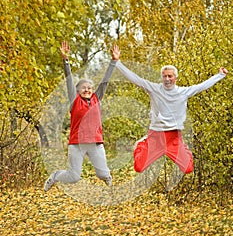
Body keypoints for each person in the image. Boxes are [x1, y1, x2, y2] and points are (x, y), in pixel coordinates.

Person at [111, 44, 228, 174]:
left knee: (188, 168)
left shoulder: (184, 92)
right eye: (164, 76)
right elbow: (136, 79)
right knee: (138, 167)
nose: (167, 79)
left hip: (174, 138)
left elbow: (202, 86)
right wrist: (117, 62)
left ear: (175, 78)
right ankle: (141, 144)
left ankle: (183, 148)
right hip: (156, 136)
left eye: (170, 76)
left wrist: (220, 75)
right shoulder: (154, 89)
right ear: (161, 77)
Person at [44, 41, 115, 191]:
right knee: (74, 177)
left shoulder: (96, 98)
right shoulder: (74, 101)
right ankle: (55, 176)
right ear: (78, 90)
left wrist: (113, 61)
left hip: (95, 143)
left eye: (89, 88)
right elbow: (69, 79)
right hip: (77, 144)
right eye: (84, 88)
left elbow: (105, 82)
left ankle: (107, 177)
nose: (87, 90)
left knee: (103, 173)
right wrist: (65, 60)